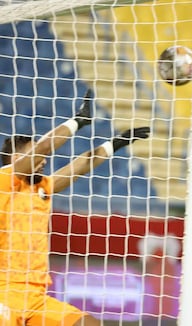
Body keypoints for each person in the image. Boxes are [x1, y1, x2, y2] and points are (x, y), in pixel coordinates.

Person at [0, 89, 150, 326]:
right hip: (4, 294)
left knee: (88, 323)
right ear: (14, 159)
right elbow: (44, 148)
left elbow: (80, 166)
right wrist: (77, 121)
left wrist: (117, 142)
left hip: (37, 297)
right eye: (32, 155)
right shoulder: (5, 180)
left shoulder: (43, 188)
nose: (42, 161)